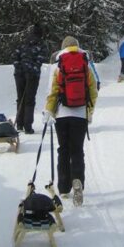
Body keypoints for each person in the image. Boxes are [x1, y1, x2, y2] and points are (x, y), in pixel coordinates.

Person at [43, 36, 98, 204]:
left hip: (62, 115)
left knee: (63, 150)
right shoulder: (85, 63)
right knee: (77, 151)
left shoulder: (58, 65)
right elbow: (93, 90)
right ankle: (78, 181)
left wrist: (49, 111)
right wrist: (89, 112)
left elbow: (53, 92)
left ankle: (64, 188)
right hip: (79, 114)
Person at [13, 23, 47, 134]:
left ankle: (19, 124)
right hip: (32, 75)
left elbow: (15, 57)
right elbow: (40, 60)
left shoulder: (23, 42)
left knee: (20, 98)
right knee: (29, 100)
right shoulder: (41, 44)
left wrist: (19, 67)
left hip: (19, 74)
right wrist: (32, 69)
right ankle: (27, 126)